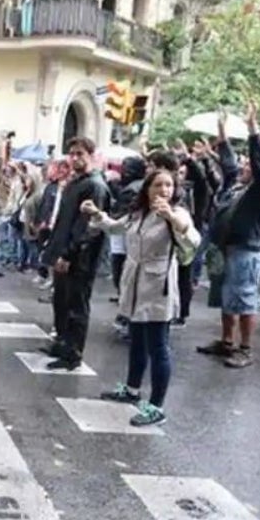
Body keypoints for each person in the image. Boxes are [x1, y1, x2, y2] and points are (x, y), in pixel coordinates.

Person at [84, 169, 201, 426]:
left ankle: (157, 407)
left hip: (158, 286)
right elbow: (115, 227)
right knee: (137, 339)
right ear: (147, 189)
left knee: (158, 346)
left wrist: (170, 217)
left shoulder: (177, 213)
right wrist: (96, 213)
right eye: (158, 184)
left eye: (169, 185)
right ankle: (132, 389)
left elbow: (191, 234)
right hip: (135, 284)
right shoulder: (139, 213)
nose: (164, 190)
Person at [196, 104, 260, 369]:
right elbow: (229, 164)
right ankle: (226, 342)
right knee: (225, 297)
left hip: (245, 252)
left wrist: (253, 130)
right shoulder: (237, 185)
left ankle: (245, 348)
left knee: (243, 299)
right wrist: (222, 133)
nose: (243, 165)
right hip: (223, 250)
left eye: (248, 164)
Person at [40, 137, 111, 370]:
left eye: (80, 153)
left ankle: (73, 352)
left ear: (91, 155)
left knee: (76, 306)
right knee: (61, 301)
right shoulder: (75, 182)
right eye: (72, 154)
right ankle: (62, 342)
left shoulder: (95, 186)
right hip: (63, 251)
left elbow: (88, 228)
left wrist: (69, 255)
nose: (75, 158)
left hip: (80, 259)